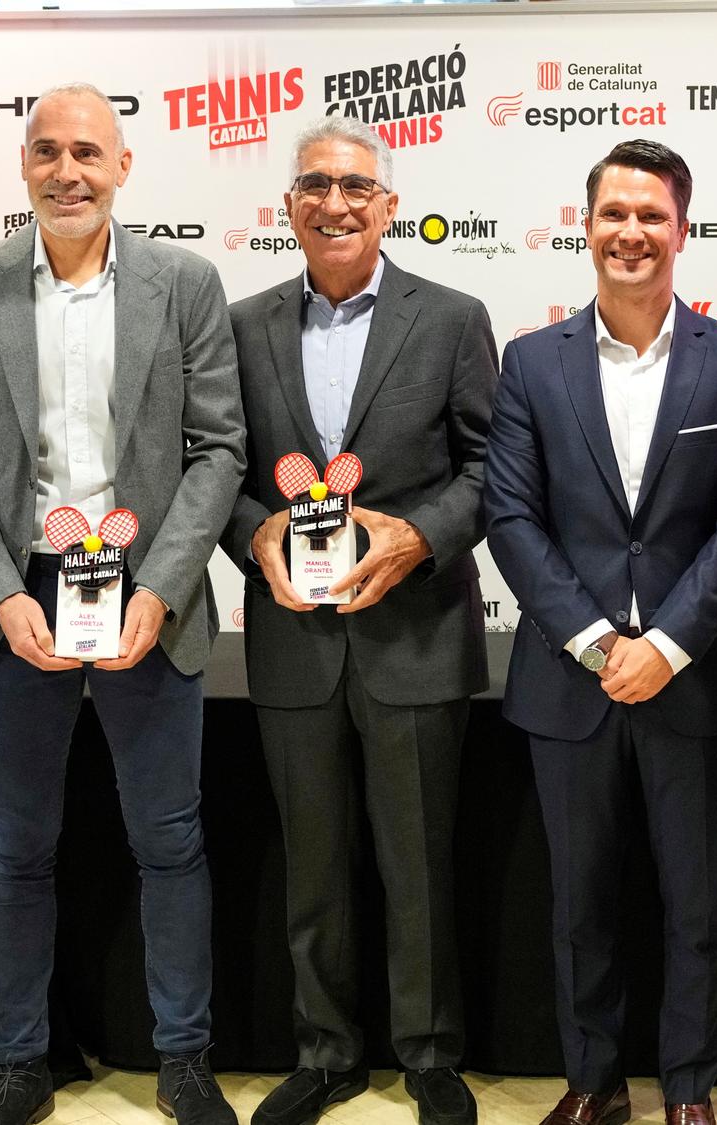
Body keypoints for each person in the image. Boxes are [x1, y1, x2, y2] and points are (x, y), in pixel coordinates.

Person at [0, 82, 247, 1125]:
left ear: (122, 168)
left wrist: (163, 586)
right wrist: (1, 592)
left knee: (170, 839)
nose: (67, 171)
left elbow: (217, 447)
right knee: (16, 844)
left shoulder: (184, 283)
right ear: (23, 166)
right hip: (20, 599)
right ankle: (18, 1060)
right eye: (48, 152)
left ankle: (182, 1054)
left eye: (87, 153)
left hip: (149, 600)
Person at [482, 139, 717, 1125]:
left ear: (681, 230)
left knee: (698, 907)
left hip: (694, 682)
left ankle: (689, 1089)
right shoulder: (530, 364)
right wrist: (597, 642)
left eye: (651, 215)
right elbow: (511, 518)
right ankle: (593, 1080)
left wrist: (664, 645)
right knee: (579, 905)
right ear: (585, 226)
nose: (631, 232)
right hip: (571, 681)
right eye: (614, 213)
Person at [220, 116, 495, 1125]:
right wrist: (256, 538)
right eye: (313, 186)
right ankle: (327, 1052)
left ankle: (428, 1056)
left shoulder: (453, 317)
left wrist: (415, 539)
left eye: (354, 188)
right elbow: (222, 474)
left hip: (413, 634)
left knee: (418, 864)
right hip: (292, 636)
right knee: (313, 862)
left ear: (388, 207)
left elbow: (487, 471)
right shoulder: (240, 325)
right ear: (287, 207)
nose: (333, 202)